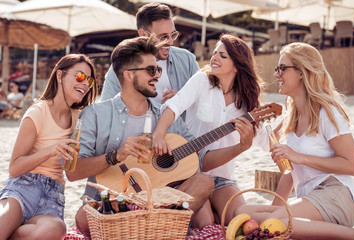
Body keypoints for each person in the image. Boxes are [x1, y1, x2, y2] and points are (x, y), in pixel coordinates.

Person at [67, 36, 255, 237]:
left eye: (158, 69)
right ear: (128, 75)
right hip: (113, 202)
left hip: (158, 199)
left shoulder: (165, 117)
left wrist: (240, 147)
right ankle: (156, 223)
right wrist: (115, 156)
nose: (157, 75)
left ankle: (150, 222)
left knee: (204, 182)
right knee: (83, 220)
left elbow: (201, 159)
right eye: (151, 70)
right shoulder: (95, 114)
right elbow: (72, 172)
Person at [234, 42, 354, 239]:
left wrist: (300, 157)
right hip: (310, 198)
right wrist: (276, 209)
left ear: (302, 72)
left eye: (282, 68)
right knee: (241, 214)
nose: (277, 74)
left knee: (273, 223)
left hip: (335, 194)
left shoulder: (326, 112)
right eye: (277, 68)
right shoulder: (292, 117)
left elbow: (352, 165)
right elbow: (290, 174)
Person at [152, 34, 269, 225]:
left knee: (243, 221)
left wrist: (279, 137)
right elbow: (173, 107)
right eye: (215, 53)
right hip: (191, 175)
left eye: (222, 56)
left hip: (223, 178)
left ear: (237, 65)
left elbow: (265, 141)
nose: (214, 58)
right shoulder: (201, 81)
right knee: (205, 223)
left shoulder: (247, 101)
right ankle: (214, 218)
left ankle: (218, 216)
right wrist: (158, 134)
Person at [0, 54, 97, 239]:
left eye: (89, 80)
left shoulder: (80, 118)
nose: (85, 84)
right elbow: (14, 168)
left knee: (57, 229)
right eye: (80, 76)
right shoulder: (37, 113)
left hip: (53, 196)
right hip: (23, 188)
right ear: (59, 76)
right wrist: (50, 150)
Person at [100, 2, 199, 105]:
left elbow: (203, 101)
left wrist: (183, 100)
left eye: (173, 35)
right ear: (143, 34)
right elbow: (107, 110)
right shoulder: (120, 67)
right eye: (163, 37)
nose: (170, 42)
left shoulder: (187, 60)